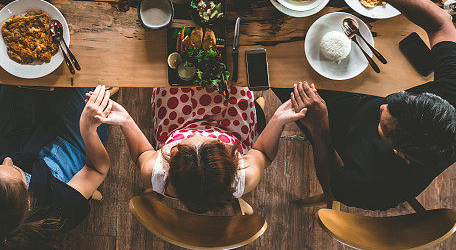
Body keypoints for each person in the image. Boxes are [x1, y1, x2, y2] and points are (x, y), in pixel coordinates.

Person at [274, 0, 456, 210]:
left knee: (278, 75)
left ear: (400, 152)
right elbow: (441, 23)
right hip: (357, 99)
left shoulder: (379, 188)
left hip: (334, 129)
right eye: (400, 99)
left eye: (384, 123)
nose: (382, 107)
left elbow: (332, 187)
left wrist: (320, 130)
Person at [0, 85, 113, 249]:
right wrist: (88, 129)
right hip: (72, 143)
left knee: (16, 77)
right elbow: (97, 169)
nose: (6, 160)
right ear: (28, 201)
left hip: (15, 143)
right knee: (75, 79)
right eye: (15, 170)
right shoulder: (61, 209)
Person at [99, 85, 306, 213]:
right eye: (210, 141)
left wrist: (126, 121)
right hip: (230, 126)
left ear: (171, 161)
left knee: (168, 84)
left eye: (189, 142)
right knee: (239, 85)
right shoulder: (245, 176)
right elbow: (262, 153)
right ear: (231, 162)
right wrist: (278, 119)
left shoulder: (157, 172)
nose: (198, 133)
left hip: (178, 122)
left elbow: (141, 154)